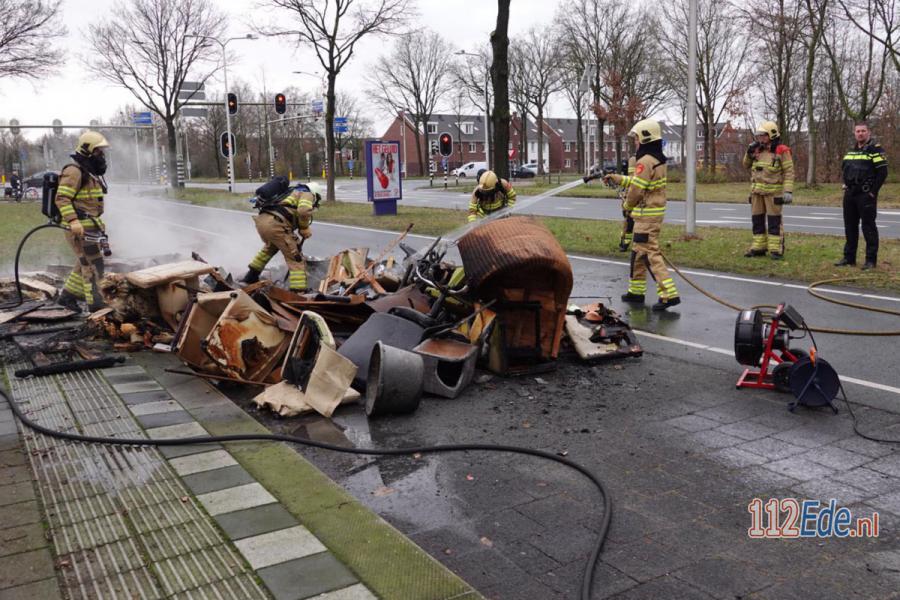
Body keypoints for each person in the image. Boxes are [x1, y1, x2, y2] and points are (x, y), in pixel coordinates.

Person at [604, 119, 680, 311]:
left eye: (637, 138)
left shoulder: (644, 161)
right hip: (650, 215)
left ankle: (668, 295)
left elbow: (637, 189)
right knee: (638, 252)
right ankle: (636, 292)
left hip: (646, 216)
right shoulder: (655, 159)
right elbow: (639, 181)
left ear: (646, 138)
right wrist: (618, 178)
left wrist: (627, 205)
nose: (635, 142)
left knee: (649, 255)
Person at [55, 131, 111, 313]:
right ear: (87, 150)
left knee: (83, 263)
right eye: (98, 151)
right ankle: (96, 306)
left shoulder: (88, 171)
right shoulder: (74, 171)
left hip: (90, 228)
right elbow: (62, 198)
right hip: (79, 229)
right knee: (94, 266)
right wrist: (73, 221)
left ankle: (67, 297)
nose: (101, 156)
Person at [243, 179, 321, 293]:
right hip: (276, 224)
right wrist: (304, 228)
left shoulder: (290, 192)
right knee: (295, 257)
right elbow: (304, 211)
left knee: (269, 250)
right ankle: (298, 290)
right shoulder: (307, 193)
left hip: (263, 221)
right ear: (316, 194)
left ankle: (250, 277)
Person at [835, 122, 888, 270]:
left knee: (868, 228)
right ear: (854, 133)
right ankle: (849, 258)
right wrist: (845, 184)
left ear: (868, 132)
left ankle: (870, 261)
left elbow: (883, 173)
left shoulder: (875, 150)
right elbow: (844, 169)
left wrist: (873, 192)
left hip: (866, 195)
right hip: (850, 195)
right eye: (858, 131)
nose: (860, 133)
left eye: (863, 131)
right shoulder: (850, 151)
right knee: (850, 227)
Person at [742, 120, 794, 259]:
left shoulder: (782, 150)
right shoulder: (756, 149)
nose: (760, 138)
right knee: (757, 221)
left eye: (763, 135)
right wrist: (749, 152)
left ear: (771, 135)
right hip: (757, 193)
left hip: (773, 193)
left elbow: (789, 171)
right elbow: (746, 165)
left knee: (774, 222)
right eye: (759, 135)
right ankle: (759, 247)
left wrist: (788, 191)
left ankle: (776, 249)